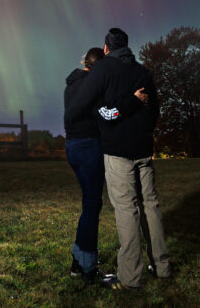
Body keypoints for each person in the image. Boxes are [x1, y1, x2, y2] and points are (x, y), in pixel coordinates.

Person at [65, 27, 171, 291]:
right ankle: (161, 267)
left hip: (118, 151)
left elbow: (84, 107)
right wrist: (143, 130)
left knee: (127, 210)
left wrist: (94, 110)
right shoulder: (143, 71)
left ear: (105, 48)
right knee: (151, 207)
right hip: (144, 150)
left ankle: (130, 278)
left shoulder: (103, 70)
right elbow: (155, 111)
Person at [63, 46, 146, 284]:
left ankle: (78, 262)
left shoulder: (71, 85)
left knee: (90, 204)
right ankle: (86, 268)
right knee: (91, 206)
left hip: (71, 147)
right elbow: (108, 114)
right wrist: (133, 100)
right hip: (89, 147)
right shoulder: (94, 85)